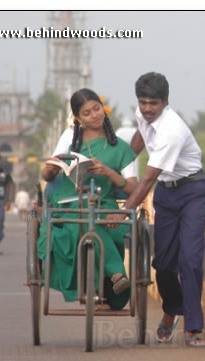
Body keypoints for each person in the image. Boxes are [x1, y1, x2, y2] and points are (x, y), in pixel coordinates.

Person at [108, 72, 205, 347]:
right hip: (166, 194)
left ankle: (193, 328)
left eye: (153, 103)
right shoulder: (144, 115)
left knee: (189, 260)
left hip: (191, 192)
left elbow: (147, 180)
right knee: (163, 265)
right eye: (143, 102)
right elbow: (141, 134)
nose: (147, 109)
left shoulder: (172, 131)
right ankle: (171, 310)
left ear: (165, 102)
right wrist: (124, 162)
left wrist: (124, 211)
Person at [37, 88, 138, 311]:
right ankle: (116, 273)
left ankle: (107, 287)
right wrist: (53, 167)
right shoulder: (69, 139)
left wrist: (109, 173)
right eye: (86, 112)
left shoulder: (121, 148)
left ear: (103, 108)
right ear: (77, 118)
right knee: (81, 220)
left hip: (105, 204)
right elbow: (46, 175)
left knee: (97, 223)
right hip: (68, 202)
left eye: (96, 108)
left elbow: (134, 188)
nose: (94, 115)